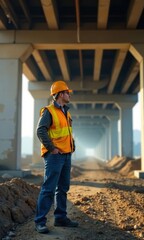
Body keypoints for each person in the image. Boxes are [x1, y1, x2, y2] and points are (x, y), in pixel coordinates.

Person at [34, 80, 78, 234]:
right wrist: (52, 148)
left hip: (66, 155)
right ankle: (40, 222)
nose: (69, 95)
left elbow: (65, 132)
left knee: (63, 188)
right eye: (67, 92)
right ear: (60, 94)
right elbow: (41, 131)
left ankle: (60, 217)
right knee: (48, 189)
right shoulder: (49, 111)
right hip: (54, 156)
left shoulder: (67, 111)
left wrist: (72, 144)